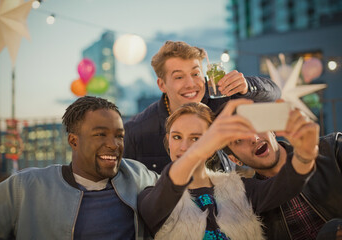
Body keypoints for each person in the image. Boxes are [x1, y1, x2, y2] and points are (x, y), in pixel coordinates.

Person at [0, 96, 158, 240]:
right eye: (100, 134)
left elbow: (179, 191)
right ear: (74, 141)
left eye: (119, 136)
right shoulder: (25, 187)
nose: (114, 145)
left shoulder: (138, 175)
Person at [138, 99, 316, 240]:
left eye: (195, 138)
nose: (184, 147)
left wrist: (306, 153)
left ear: (215, 144)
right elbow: (167, 189)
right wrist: (197, 151)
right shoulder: (151, 195)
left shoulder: (240, 187)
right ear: (168, 140)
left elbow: (287, 183)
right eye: (177, 137)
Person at [123, 40, 281, 173]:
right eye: (179, 77)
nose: (191, 84)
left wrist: (247, 86)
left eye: (195, 73)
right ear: (162, 84)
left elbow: (274, 93)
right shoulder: (137, 131)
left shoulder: (223, 97)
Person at [223, 106, 342, 239]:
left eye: (256, 127)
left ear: (272, 130)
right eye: (239, 140)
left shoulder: (333, 149)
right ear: (234, 160)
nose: (253, 138)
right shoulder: (249, 204)